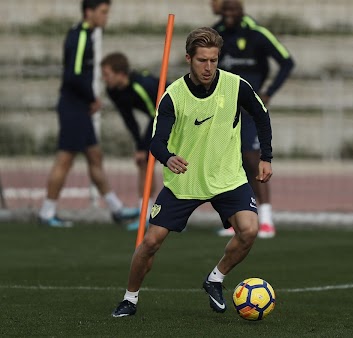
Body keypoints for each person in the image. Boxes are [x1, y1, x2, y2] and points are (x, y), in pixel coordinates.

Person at [111, 27, 273, 317]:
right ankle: (130, 298)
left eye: (214, 60)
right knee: (150, 243)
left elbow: (261, 116)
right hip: (184, 182)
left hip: (227, 177)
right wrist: (168, 158)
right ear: (189, 58)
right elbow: (156, 142)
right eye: (202, 60)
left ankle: (215, 279)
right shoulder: (173, 96)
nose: (209, 67)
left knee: (249, 230)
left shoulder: (236, 86)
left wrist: (266, 156)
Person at [38, 0, 139, 228]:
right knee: (65, 160)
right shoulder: (81, 36)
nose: (106, 17)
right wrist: (92, 98)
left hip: (79, 106)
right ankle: (46, 212)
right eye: (103, 12)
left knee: (95, 156)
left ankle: (116, 209)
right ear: (89, 12)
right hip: (73, 107)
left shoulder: (86, 34)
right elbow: (73, 76)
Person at [212, 0, 294, 238]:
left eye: (233, 11)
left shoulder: (257, 34)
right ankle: (240, 219)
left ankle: (267, 219)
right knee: (230, 161)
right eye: (225, 11)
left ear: (241, 12)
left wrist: (268, 92)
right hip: (224, 108)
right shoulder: (217, 33)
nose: (228, 15)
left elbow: (287, 62)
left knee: (252, 158)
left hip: (250, 109)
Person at [101, 52, 163, 231]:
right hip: (161, 118)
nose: (104, 79)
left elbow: (157, 114)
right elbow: (129, 119)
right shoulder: (113, 91)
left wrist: (144, 146)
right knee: (144, 162)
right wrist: (139, 146)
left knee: (179, 166)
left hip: (177, 116)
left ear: (121, 74)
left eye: (107, 74)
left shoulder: (141, 86)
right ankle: (146, 215)